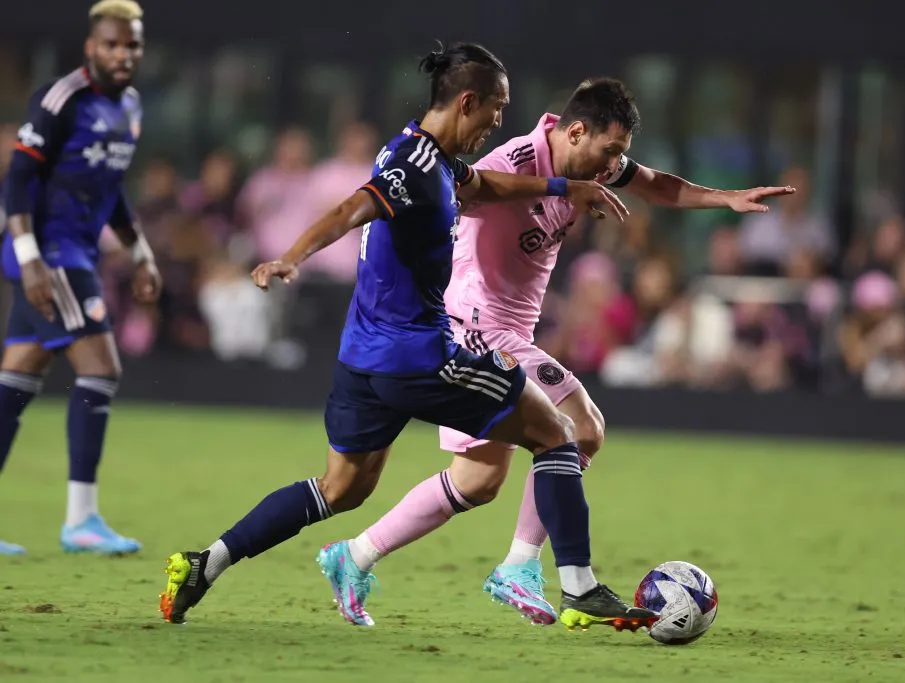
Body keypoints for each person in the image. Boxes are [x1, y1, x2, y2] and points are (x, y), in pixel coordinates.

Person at [159, 42, 657, 634]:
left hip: (360, 361)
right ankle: (577, 584)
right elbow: (354, 207)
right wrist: (291, 256)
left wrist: (558, 189)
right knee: (559, 433)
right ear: (466, 102)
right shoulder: (414, 168)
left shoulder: (433, 159)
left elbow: (483, 186)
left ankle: (204, 565)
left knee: (339, 489)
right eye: (495, 111)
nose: (498, 124)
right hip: (419, 357)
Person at [340, 77, 796, 624]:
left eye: (620, 154)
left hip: (507, 328)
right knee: (581, 425)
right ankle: (527, 568)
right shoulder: (516, 161)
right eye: (611, 151)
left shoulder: (588, 160)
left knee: (478, 480)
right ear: (576, 131)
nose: (615, 166)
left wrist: (723, 198)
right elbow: (458, 188)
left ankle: (354, 555)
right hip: (476, 326)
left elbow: (654, 184)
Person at [0, 0, 161, 557]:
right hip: (51, 255)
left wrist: (140, 250)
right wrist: (29, 257)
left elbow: (109, 188)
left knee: (16, 381)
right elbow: (18, 179)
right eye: (113, 44)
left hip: (76, 253)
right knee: (101, 369)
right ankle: (82, 520)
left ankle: (81, 521)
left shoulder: (131, 107)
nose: (123, 54)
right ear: (91, 47)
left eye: (132, 45)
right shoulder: (60, 98)